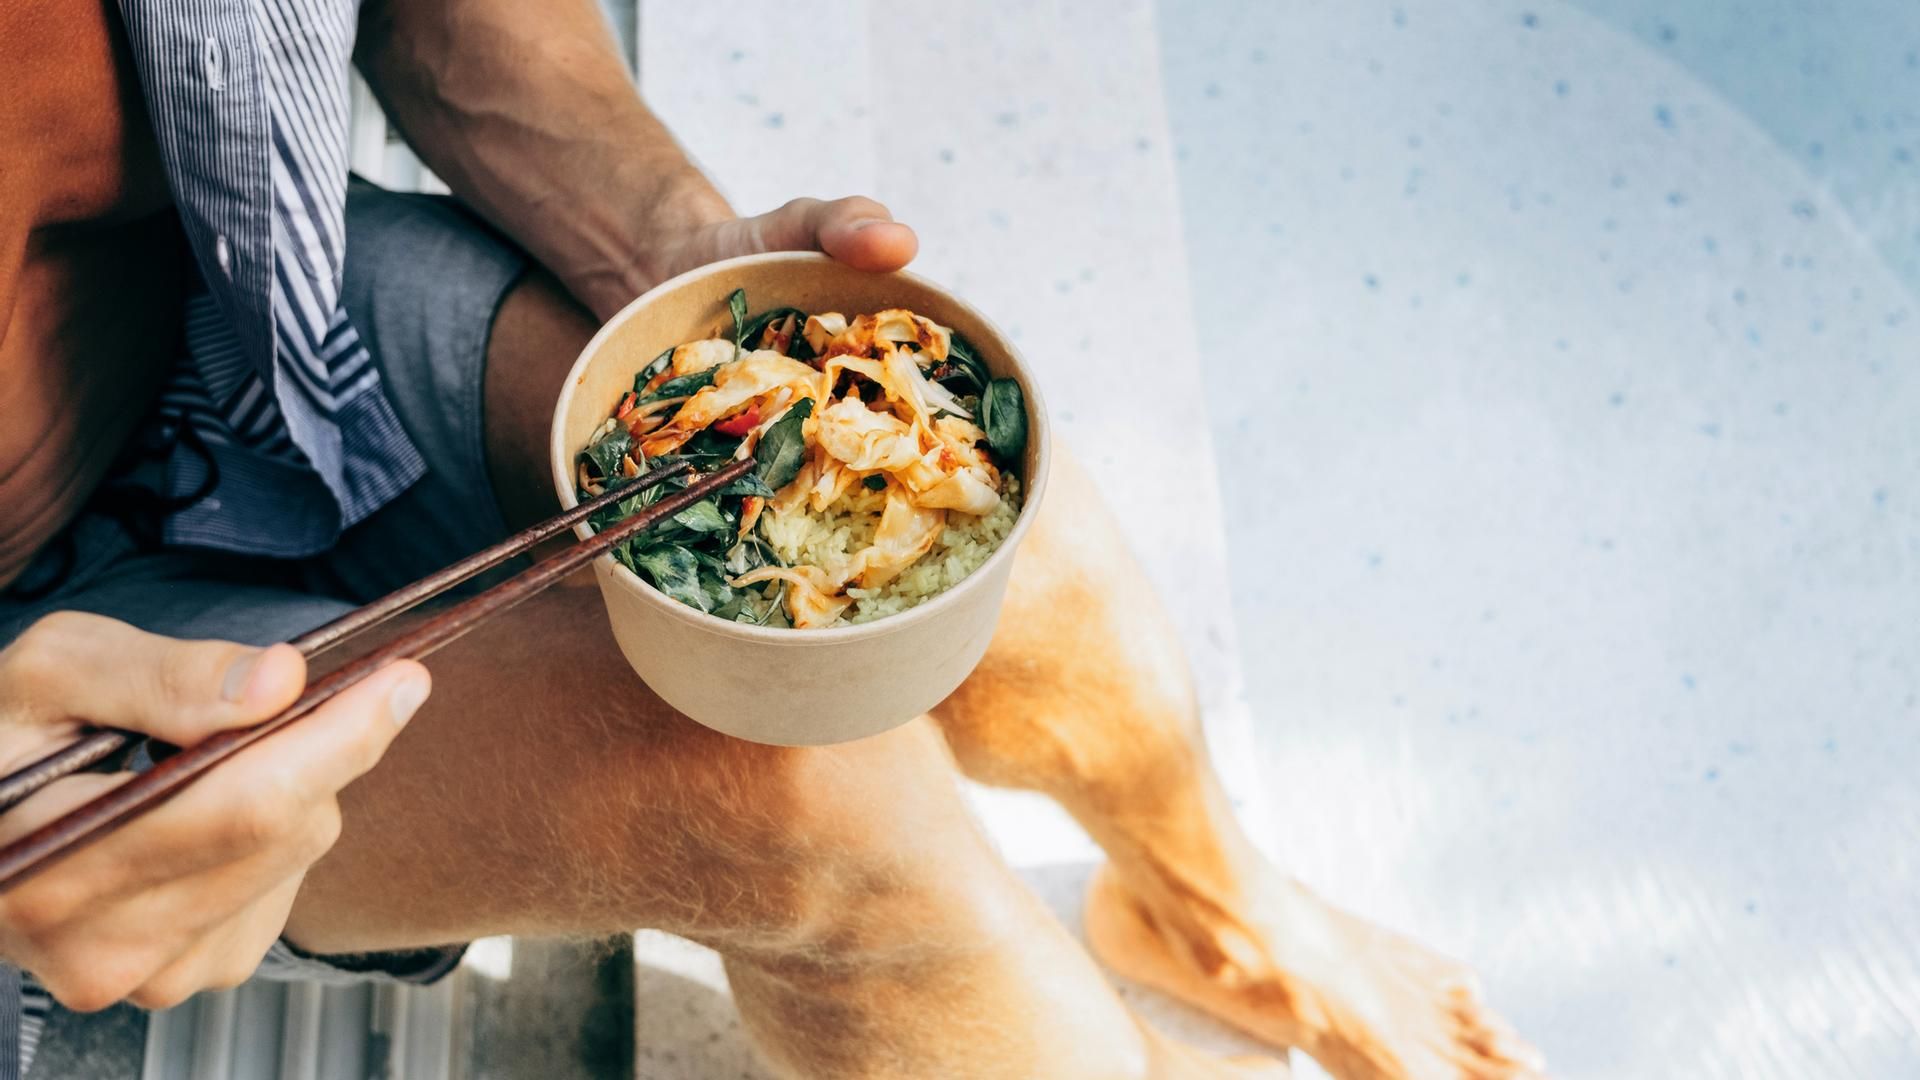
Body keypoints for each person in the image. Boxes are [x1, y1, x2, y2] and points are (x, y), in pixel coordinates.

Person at [0, 1, 1543, 1077]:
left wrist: (665, 246)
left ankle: (1214, 906)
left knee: (1022, 539)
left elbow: (433, 8)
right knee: (796, 799)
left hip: (233, 294)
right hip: (27, 684)